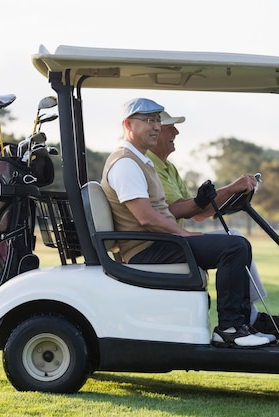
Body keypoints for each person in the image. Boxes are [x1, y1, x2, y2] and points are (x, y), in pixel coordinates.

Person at [101, 97, 269, 348]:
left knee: (235, 243)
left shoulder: (141, 161)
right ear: (128, 125)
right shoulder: (125, 163)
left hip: (159, 244)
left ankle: (241, 325)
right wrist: (184, 235)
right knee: (234, 247)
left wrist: (191, 220)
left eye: (157, 120)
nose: (156, 126)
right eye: (148, 120)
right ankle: (230, 328)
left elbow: (162, 212)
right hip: (147, 250)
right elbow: (146, 218)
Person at [146, 111, 279, 340]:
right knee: (234, 246)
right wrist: (230, 189)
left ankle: (251, 319)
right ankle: (233, 327)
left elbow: (199, 212)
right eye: (170, 128)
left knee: (235, 236)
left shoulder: (169, 168)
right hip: (165, 241)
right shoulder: (152, 167)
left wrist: (228, 193)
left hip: (173, 238)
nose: (176, 132)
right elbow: (176, 209)